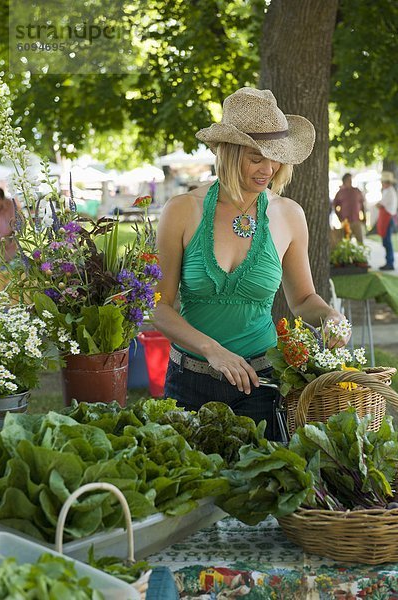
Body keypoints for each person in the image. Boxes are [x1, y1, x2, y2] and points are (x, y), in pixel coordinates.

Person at [153, 87, 349, 438]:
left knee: (260, 490)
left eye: (275, 157)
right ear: (228, 152)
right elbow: (160, 307)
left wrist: (331, 317)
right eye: (256, 156)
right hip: (189, 382)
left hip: (261, 385)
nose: (268, 169)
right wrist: (213, 350)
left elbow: (303, 300)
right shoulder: (182, 210)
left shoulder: (289, 215)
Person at [333, 173, 365, 244]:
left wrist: (364, 217)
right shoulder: (340, 193)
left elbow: (362, 204)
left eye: (351, 179)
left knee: (360, 241)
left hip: (356, 220)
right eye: (348, 180)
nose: (350, 181)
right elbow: (335, 206)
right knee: (347, 243)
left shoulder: (356, 191)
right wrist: (340, 218)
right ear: (344, 181)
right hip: (346, 221)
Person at [377, 171, 398, 271]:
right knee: (386, 241)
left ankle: (390, 262)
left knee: (387, 242)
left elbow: (381, 204)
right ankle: (389, 261)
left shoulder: (389, 191)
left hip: (388, 219)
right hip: (387, 218)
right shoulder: (388, 191)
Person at [0, 187, 17, 262]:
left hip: (10, 252)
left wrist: (8, 239)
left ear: (2, 199)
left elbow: (16, 226)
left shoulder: (10, 205)